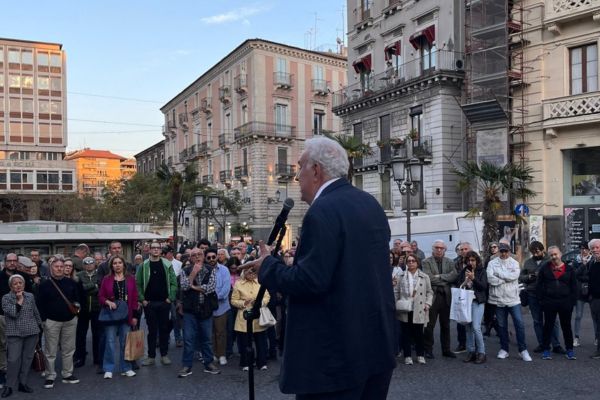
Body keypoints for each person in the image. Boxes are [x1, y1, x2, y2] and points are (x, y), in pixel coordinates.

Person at [243, 136, 396, 399]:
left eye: (299, 166)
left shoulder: (322, 210)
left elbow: (310, 281)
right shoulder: (370, 204)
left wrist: (268, 265)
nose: (296, 177)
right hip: (375, 349)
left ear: (316, 170)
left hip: (333, 360)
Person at [36, 256, 81, 388]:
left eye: (62, 266)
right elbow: (39, 304)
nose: (60, 269)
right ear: (51, 268)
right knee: (51, 351)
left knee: (69, 349)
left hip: (70, 321)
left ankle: (67, 374)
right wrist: (44, 321)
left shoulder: (71, 282)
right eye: (57, 266)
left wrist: (76, 314)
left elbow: (78, 300)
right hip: (51, 322)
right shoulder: (44, 284)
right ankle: (50, 375)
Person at [177, 248, 220, 377]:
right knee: (189, 339)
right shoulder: (185, 270)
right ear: (190, 258)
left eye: (199, 254)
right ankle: (187, 365)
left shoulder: (210, 270)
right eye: (194, 255)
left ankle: (209, 363)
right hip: (190, 310)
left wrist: (194, 287)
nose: (197, 257)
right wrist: (193, 274)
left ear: (203, 256)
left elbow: (211, 288)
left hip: (206, 309)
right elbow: (184, 286)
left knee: (206, 339)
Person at [487, 243, 532, 362]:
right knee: (501, 326)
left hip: (513, 298)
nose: (504, 253)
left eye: (506, 251)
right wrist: (504, 278)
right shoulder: (492, 263)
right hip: (498, 298)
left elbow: (514, 276)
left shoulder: (514, 263)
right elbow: (490, 279)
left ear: (509, 251)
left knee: (519, 324)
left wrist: (499, 275)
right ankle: (504, 349)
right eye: (501, 251)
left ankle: (523, 350)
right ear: (498, 252)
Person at [136, 241, 177, 366]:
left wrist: (170, 298)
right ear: (149, 250)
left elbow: (174, 283)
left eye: (157, 248)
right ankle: (151, 356)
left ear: (160, 250)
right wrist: (142, 299)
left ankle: (164, 355)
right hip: (149, 303)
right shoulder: (144, 265)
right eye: (153, 248)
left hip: (164, 302)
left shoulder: (167, 264)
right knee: (152, 330)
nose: (155, 250)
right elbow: (138, 284)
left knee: (164, 330)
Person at [1, 275, 42, 397]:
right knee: (13, 360)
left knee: (27, 358)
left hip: (32, 331)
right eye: (15, 283)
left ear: (24, 285)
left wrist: (40, 325)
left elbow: (35, 311)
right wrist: (19, 300)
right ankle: (9, 386)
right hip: (15, 333)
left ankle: (22, 383)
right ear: (10, 286)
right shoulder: (6, 298)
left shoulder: (30, 296)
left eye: (21, 283)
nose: (18, 285)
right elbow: (13, 313)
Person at [519, 241, 563, 354]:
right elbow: (521, 277)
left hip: (548, 294)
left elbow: (559, 273)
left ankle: (556, 345)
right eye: (533, 252)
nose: (536, 253)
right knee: (537, 320)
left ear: (542, 249)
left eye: (537, 251)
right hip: (533, 294)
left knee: (553, 320)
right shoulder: (528, 262)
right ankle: (543, 344)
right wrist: (529, 276)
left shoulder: (550, 260)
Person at [98, 255, 138, 378]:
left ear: (124, 265)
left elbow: (135, 298)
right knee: (110, 342)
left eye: (119, 262)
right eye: (114, 263)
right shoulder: (106, 279)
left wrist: (135, 316)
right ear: (111, 266)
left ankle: (126, 367)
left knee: (125, 342)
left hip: (126, 315)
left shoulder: (130, 279)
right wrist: (108, 302)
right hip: (111, 315)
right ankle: (108, 368)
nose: (117, 265)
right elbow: (100, 296)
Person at [536, 246, 577, 360]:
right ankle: (546, 350)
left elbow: (574, 287)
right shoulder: (545, 268)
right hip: (549, 302)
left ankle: (569, 350)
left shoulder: (569, 269)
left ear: (560, 254)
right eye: (551, 255)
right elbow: (539, 285)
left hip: (565, 302)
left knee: (566, 326)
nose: (554, 257)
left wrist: (571, 302)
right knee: (548, 326)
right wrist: (542, 300)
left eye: (555, 254)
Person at [0, 254, 33, 387]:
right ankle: (3, 371)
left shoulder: (24, 277)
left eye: (15, 261)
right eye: (10, 261)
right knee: (2, 345)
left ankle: (19, 374)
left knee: (20, 346)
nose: (12, 263)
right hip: (2, 316)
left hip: (22, 318)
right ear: (5, 262)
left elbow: (31, 297)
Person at [394, 254, 433, 365]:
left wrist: (428, 303)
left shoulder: (424, 276)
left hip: (419, 308)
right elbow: (396, 292)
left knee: (419, 333)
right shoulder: (401, 276)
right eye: (408, 261)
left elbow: (429, 292)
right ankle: (407, 356)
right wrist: (396, 303)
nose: (411, 263)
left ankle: (420, 355)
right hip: (405, 308)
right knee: (405, 333)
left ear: (417, 262)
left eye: (413, 261)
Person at [421, 240, 457, 359]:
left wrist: (440, 277)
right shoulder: (426, 262)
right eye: (437, 247)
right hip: (433, 297)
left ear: (445, 249)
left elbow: (454, 276)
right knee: (429, 325)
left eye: (441, 248)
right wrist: (445, 280)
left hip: (446, 297)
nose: (439, 250)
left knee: (445, 325)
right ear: (433, 248)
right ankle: (428, 350)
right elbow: (429, 278)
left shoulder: (450, 262)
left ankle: (446, 349)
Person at [230, 268, 271, 371]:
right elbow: (233, 300)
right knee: (244, 341)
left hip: (258, 315)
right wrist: (243, 303)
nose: (251, 273)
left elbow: (267, 297)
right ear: (244, 271)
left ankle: (262, 363)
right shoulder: (238, 283)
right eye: (249, 271)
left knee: (261, 341)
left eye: (254, 271)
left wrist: (260, 303)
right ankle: (246, 363)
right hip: (244, 316)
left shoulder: (260, 282)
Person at [457, 251, 488, 364]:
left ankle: (482, 352)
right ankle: (471, 351)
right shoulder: (464, 271)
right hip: (466, 302)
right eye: (469, 260)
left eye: (473, 260)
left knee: (476, 327)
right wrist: (465, 281)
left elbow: (483, 287)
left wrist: (474, 278)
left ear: (477, 261)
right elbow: (459, 285)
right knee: (468, 327)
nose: (471, 262)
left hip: (478, 301)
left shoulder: (482, 271)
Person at [74, 257, 101, 369]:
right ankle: (80, 358)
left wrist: (88, 288)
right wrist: (94, 286)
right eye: (86, 263)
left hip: (97, 308)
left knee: (97, 335)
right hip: (83, 310)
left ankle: (97, 358)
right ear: (83, 265)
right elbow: (80, 289)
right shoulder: (79, 275)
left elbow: (100, 289)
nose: (89, 265)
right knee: (80, 335)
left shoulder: (99, 275)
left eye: (91, 263)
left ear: (95, 264)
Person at [207, 248, 231, 366]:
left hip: (221, 306)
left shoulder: (224, 270)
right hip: (207, 307)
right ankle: (212, 354)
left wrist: (214, 298)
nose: (211, 259)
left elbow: (226, 289)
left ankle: (221, 354)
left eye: (213, 257)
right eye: (209, 257)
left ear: (217, 257)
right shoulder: (204, 270)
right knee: (210, 332)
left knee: (220, 332)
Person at [573, 243, 596, 347]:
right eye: (582, 249)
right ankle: (576, 338)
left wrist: (582, 277)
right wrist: (583, 265)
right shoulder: (576, 260)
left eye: (586, 249)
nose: (584, 251)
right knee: (578, 316)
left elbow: (592, 275)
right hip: (579, 292)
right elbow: (574, 274)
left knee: (595, 317)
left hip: (591, 292)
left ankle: (597, 338)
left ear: (589, 250)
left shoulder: (594, 260)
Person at [588, 238, 600, 359]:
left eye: (597, 247)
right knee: (597, 326)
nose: (595, 250)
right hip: (594, 299)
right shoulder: (591, 263)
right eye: (593, 248)